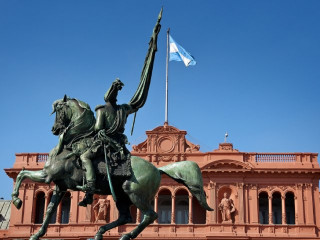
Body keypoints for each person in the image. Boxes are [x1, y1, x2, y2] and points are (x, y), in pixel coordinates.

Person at [77, 78, 151, 206]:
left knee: (85, 157)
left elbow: (98, 128)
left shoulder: (101, 110)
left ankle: (90, 187)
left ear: (106, 98)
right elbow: (137, 102)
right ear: (116, 97)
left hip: (105, 143)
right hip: (119, 145)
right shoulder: (123, 109)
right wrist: (144, 84)